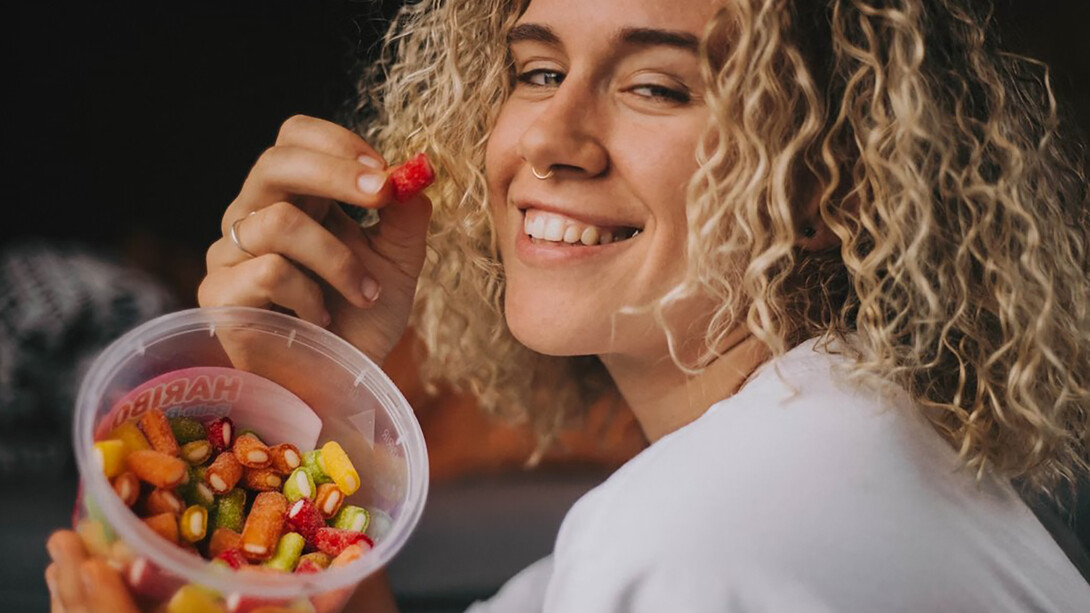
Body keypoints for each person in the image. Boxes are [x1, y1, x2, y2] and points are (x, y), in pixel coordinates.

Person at [46, 0, 1090, 610]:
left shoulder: (708, 526)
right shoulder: (820, 444)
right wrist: (316, 391)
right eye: (536, 69)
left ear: (837, 179)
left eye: (656, 88)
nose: (549, 137)